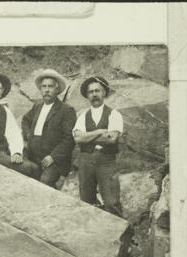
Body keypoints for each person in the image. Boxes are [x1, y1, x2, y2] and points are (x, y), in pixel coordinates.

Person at [73, 76, 124, 217]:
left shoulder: (114, 114)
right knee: (86, 201)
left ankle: (120, 236)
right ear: (87, 96)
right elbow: (78, 138)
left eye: (97, 91)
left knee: (111, 201)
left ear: (104, 93)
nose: (94, 94)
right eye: (91, 92)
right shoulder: (83, 116)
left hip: (106, 162)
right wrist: (99, 132)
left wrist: (87, 136)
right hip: (85, 161)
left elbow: (112, 138)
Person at [21, 69, 77, 187]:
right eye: (44, 86)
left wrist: (53, 157)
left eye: (50, 86)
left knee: (44, 184)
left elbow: (69, 139)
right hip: (33, 157)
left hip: (54, 162)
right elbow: (25, 120)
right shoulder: (37, 106)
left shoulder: (66, 110)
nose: (46, 90)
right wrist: (28, 135)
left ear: (57, 89)